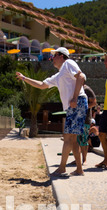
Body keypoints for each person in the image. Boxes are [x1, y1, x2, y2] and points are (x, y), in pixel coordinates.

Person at [16, 47, 87, 176]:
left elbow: (81, 77)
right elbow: (41, 85)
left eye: (54, 56)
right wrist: (24, 78)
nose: (51, 59)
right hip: (75, 105)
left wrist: (75, 98)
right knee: (73, 139)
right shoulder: (59, 75)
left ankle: (62, 168)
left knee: (68, 137)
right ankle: (79, 169)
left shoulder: (68, 63)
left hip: (78, 103)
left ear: (61, 56)